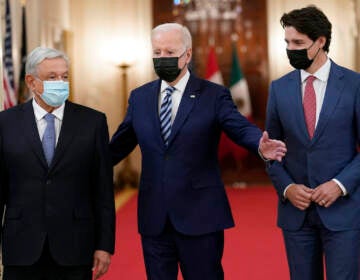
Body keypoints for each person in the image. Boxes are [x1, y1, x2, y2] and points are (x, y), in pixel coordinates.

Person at [110, 22, 286, 280]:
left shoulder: (213, 95)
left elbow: (238, 127)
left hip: (200, 215)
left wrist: (259, 143)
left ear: (187, 55)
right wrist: (82, 161)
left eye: (169, 52)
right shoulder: (140, 97)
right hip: (154, 217)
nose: (162, 58)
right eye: (157, 52)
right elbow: (118, 145)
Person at [0, 47, 115, 280]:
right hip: (21, 247)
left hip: (75, 247)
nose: (60, 82)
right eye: (52, 77)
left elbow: (102, 190)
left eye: (64, 76)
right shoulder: (6, 123)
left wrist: (104, 246)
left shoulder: (93, 122)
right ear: (31, 82)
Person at [266, 5, 360, 280]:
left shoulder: (354, 85)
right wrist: (287, 188)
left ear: (321, 41)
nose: (290, 48)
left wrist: (340, 185)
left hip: (343, 212)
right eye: (287, 42)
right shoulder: (279, 88)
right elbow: (271, 152)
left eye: (298, 43)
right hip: (297, 214)